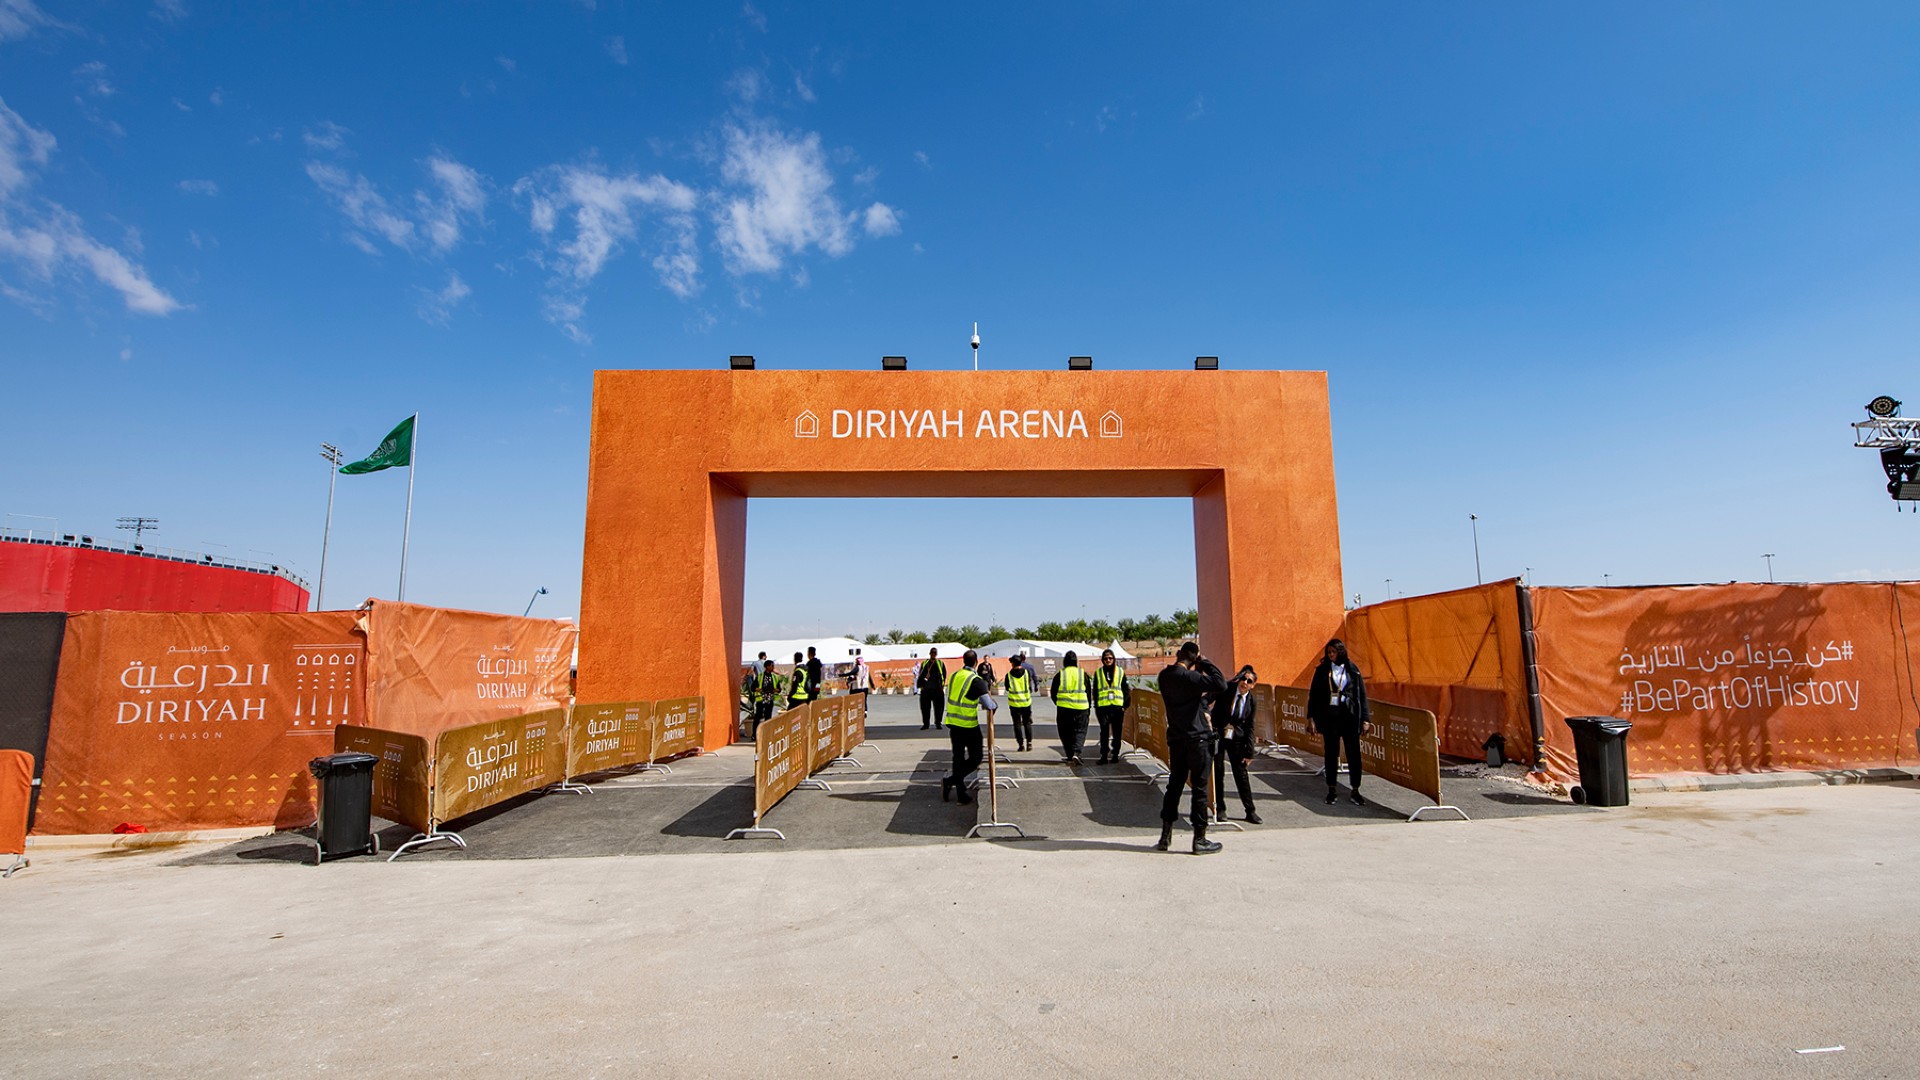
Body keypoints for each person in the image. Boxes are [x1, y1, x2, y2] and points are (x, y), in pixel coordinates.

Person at [1156, 641, 1229, 854]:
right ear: (1194, 657)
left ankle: (1165, 836)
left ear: (1178, 654)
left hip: (1177, 739)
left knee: (1174, 786)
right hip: (1197, 739)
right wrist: (1204, 662)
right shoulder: (1191, 678)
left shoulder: (1164, 676)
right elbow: (1221, 684)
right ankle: (1200, 839)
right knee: (1199, 789)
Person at [1308, 639, 1371, 806]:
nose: (1331, 655)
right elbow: (1313, 696)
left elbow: (1361, 695)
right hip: (1330, 718)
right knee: (1331, 753)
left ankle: (1355, 790)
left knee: (1353, 754)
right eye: (1328, 652)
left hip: (1349, 717)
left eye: (1333, 652)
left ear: (1340, 652)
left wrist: (1366, 719)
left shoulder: (1352, 670)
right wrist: (1311, 718)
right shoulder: (1322, 671)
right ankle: (1331, 789)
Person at [1211, 665, 1262, 824]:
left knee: (1241, 774)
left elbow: (1250, 726)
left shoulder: (1251, 700)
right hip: (1220, 733)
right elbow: (1211, 702)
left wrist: (1249, 752)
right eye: (1243, 679)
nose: (1244, 683)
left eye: (1249, 681)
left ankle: (1250, 810)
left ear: (1253, 685)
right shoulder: (1228, 689)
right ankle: (1220, 808)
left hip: (1237, 738)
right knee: (1218, 772)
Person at [939, 649, 988, 805]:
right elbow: (989, 704)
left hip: (953, 723)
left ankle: (960, 792)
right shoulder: (976, 679)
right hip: (968, 725)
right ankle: (952, 781)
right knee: (976, 758)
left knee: (957, 759)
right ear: (976, 662)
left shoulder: (954, 676)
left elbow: (961, 695)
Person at [1051, 650, 1092, 765]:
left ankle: (1069, 755)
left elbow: (1053, 693)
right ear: (1076, 661)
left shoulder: (1060, 675)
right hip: (1081, 708)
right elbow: (1088, 692)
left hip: (1064, 709)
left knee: (1065, 732)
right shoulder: (1083, 674)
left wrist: (1059, 703)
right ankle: (1076, 753)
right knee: (1080, 731)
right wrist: (1088, 707)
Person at [1092, 649, 1131, 764]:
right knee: (1104, 732)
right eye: (1105, 658)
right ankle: (1104, 755)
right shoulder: (1098, 673)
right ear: (1102, 660)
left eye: (1110, 658)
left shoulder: (1120, 671)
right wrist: (1096, 706)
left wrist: (1125, 704)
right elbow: (1095, 691)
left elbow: (1126, 689)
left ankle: (1115, 754)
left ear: (1114, 659)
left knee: (1117, 732)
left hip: (1117, 707)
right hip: (1103, 708)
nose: (1108, 660)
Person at [1003, 653, 1037, 751]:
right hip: (1026, 702)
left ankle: (1021, 744)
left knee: (1017, 724)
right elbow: (1029, 686)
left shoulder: (1008, 675)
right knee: (1027, 723)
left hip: (1014, 703)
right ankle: (1029, 743)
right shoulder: (1027, 673)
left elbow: (1007, 688)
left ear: (1013, 663)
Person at [748, 658, 780, 734]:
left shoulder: (775, 677)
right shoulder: (760, 676)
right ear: (767, 666)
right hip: (761, 700)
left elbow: (779, 689)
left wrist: (776, 690)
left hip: (770, 700)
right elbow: (753, 688)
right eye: (772, 666)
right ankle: (754, 734)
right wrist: (759, 689)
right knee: (757, 717)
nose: (773, 667)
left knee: (768, 718)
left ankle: (767, 734)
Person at [917, 649, 946, 730]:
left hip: (937, 689)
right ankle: (926, 724)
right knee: (925, 708)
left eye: (935, 653)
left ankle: (938, 723)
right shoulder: (925, 663)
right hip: (926, 689)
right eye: (932, 653)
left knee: (939, 708)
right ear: (929, 654)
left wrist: (942, 685)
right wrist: (921, 686)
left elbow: (944, 675)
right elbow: (920, 675)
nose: (933, 654)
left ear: (936, 654)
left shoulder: (940, 664)